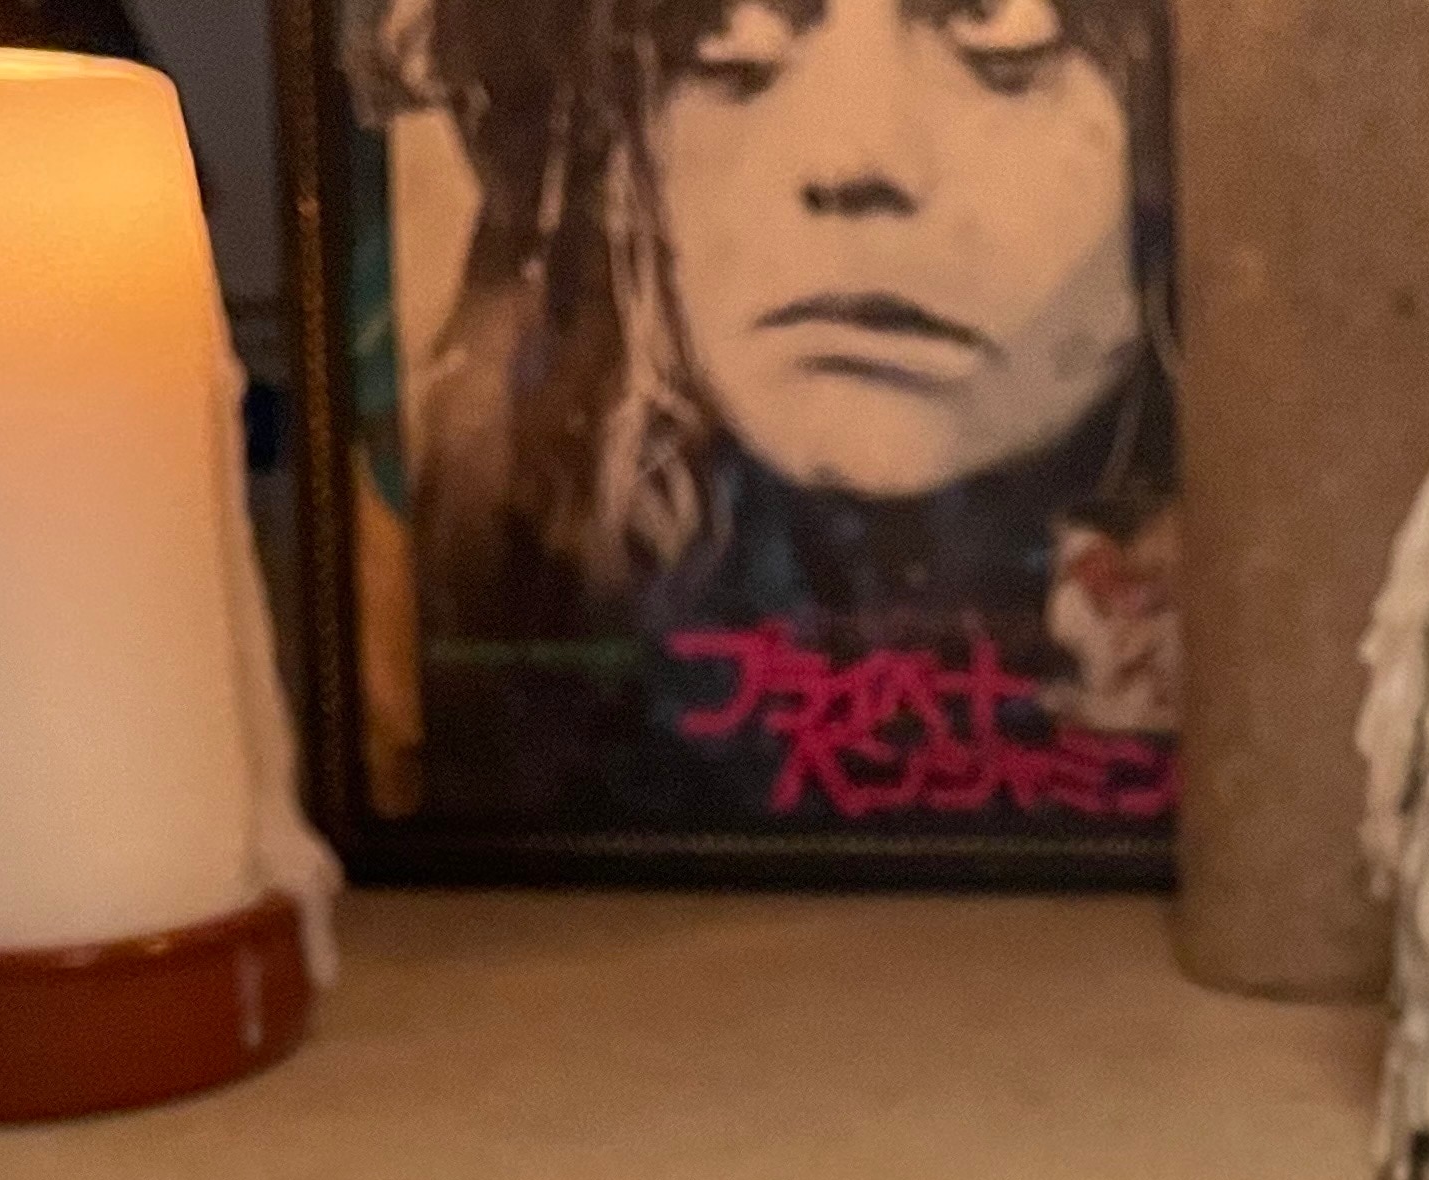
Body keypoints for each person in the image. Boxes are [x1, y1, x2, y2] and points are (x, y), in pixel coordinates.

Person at [378, 0, 1178, 834]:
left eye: (1004, 35)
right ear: (611, 159)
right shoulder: (511, 611)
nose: (855, 159)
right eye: (729, 43)